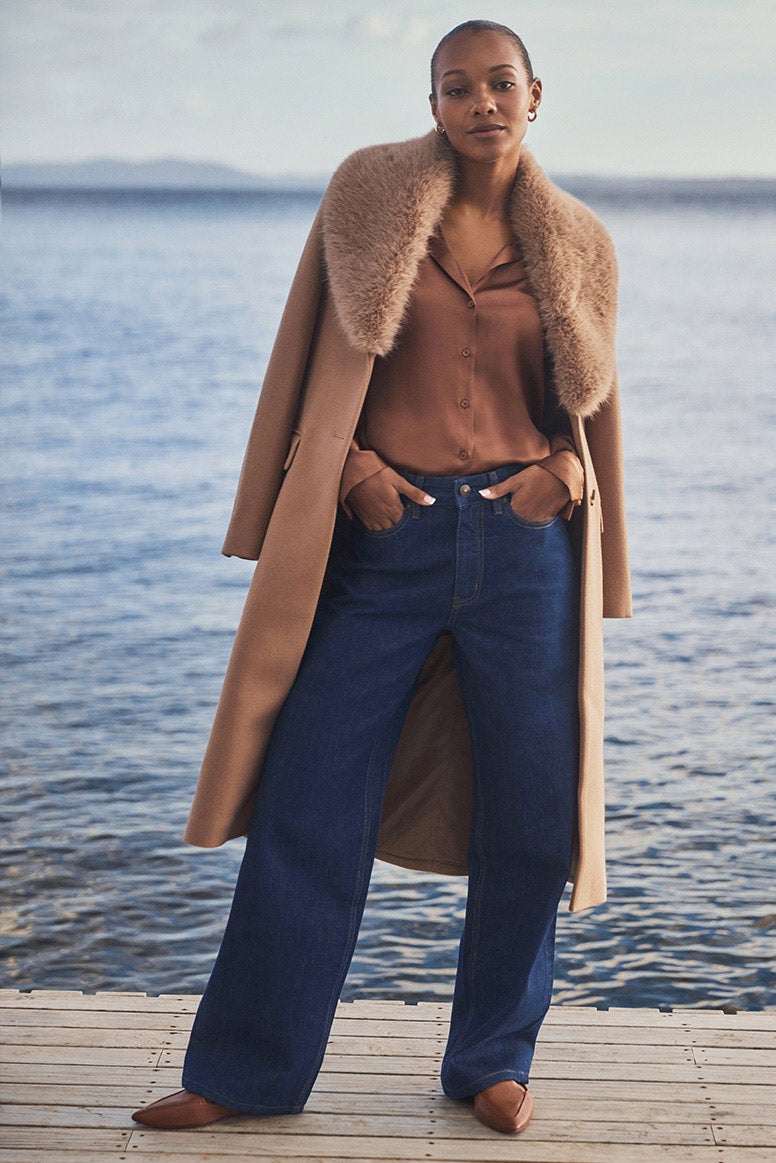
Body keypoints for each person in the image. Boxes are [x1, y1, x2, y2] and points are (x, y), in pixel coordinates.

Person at [131, 19, 631, 1138]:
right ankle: (245, 1069)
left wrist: (563, 470)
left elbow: (586, 405)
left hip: (522, 547)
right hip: (383, 535)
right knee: (309, 792)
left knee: (531, 810)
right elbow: (313, 354)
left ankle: (490, 1059)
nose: (479, 103)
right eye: (456, 87)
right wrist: (348, 465)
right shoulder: (366, 198)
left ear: (535, 95)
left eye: (498, 83)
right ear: (435, 101)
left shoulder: (579, 240)